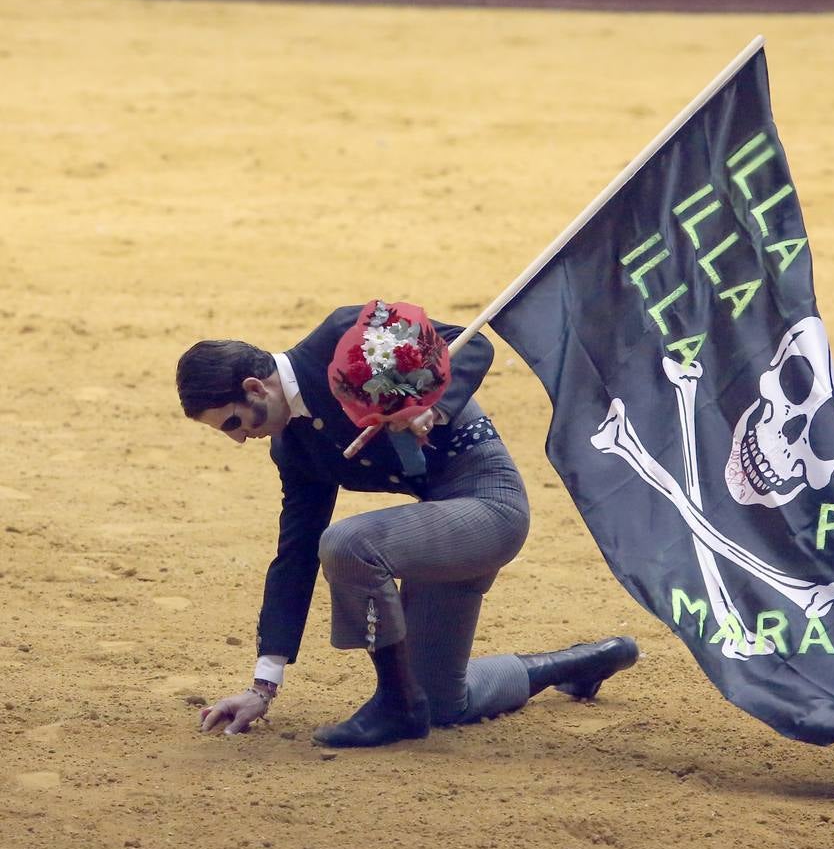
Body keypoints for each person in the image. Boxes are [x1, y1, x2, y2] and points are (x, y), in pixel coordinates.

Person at [176, 305, 638, 747]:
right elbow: (294, 555)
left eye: (232, 422)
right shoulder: (294, 448)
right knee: (441, 701)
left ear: (256, 388)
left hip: (488, 503)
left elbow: (470, 345)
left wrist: (433, 409)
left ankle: (396, 706)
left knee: (348, 544)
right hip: (437, 528)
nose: (239, 439)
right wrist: (262, 686)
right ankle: (579, 664)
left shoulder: (341, 341)